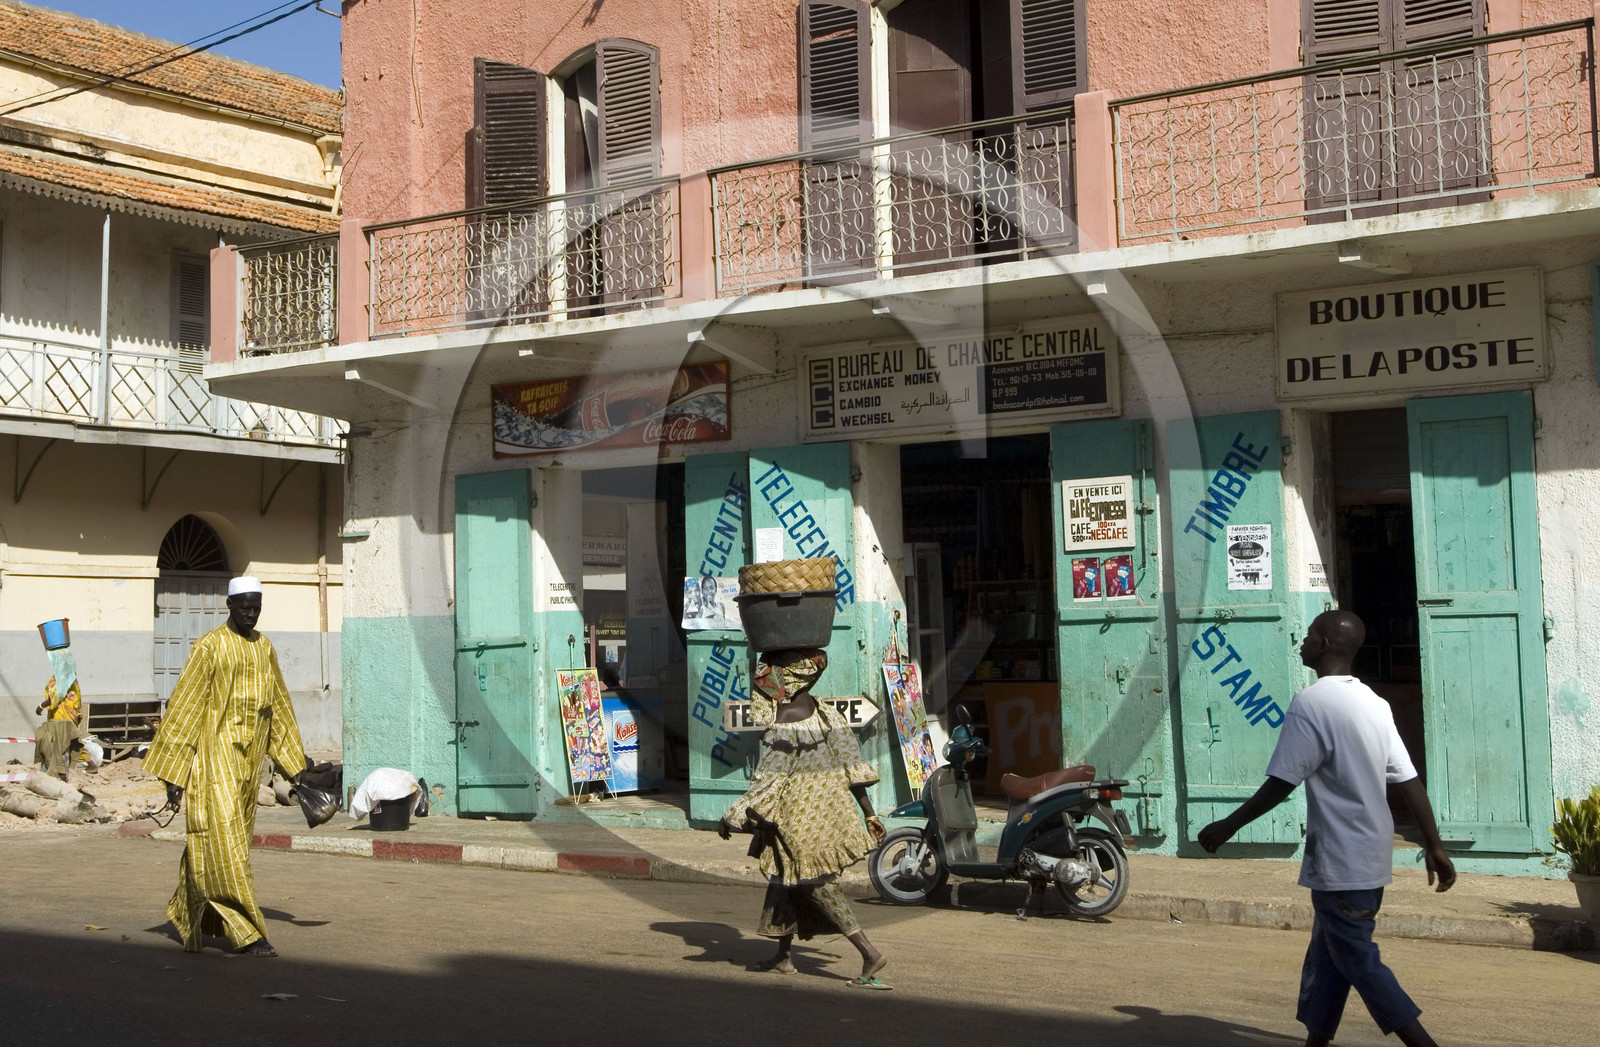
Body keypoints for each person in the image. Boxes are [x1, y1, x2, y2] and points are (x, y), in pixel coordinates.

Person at [1199, 610, 1456, 1047]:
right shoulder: (1374, 703)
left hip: (1340, 862)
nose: (1301, 641)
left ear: (1322, 645)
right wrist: (1435, 845)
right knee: (1330, 956)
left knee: (1358, 961)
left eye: (1308, 635)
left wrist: (1227, 825)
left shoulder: (1310, 702)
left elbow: (1282, 782)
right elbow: (1408, 780)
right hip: (1370, 858)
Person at [143, 576, 312, 958]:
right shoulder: (209, 647)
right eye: (245, 607)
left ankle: (186, 912)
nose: (251, 614)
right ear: (230, 605)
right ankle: (246, 930)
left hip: (249, 768)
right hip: (213, 762)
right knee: (226, 844)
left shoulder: (264, 648)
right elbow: (185, 707)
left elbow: (278, 707)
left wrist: (294, 766)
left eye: (257, 607)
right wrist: (175, 773)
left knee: (216, 842)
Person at [718, 647, 891, 988]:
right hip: (830, 815)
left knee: (816, 884)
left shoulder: (784, 722)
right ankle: (783, 957)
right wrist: (870, 814)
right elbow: (853, 769)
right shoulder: (827, 713)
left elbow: (767, 782)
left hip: (796, 821)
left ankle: (869, 952)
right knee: (785, 877)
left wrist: (731, 816)